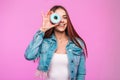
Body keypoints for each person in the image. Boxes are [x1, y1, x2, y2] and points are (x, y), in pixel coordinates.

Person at [24, 5, 88, 80]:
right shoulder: (45, 42)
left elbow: (81, 74)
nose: (62, 21)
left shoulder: (77, 43)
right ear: (52, 19)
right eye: (57, 17)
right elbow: (29, 56)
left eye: (65, 17)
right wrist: (42, 30)